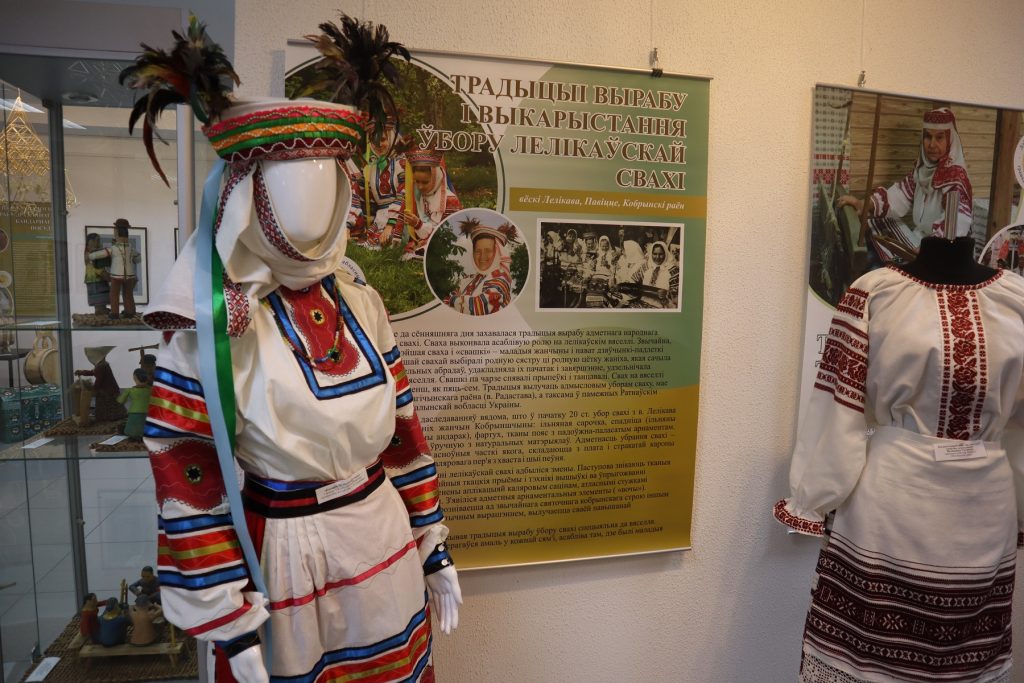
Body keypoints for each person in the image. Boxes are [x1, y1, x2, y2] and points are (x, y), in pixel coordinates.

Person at [774, 237, 1024, 682]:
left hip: (985, 516)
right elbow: (838, 402)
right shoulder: (875, 293)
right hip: (890, 510)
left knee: (971, 661)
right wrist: (812, 497)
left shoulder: (1017, 299)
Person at [837, 107, 973, 251]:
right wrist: (863, 204)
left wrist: (925, 250)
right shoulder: (921, 170)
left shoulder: (955, 179)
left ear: (950, 140)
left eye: (939, 137)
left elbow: (953, 226)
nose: (932, 144)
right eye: (928, 136)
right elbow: (899, 196)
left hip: (945, 250)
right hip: (920, 240)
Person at [397, 146, 461, 260]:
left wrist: (418, 224)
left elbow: (449, 234)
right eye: (417, 181)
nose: (420, 187)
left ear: (437, 177)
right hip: (424, 237)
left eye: (425, 182)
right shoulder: (418, 196)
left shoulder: (450, 200)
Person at [444, 218, 517, 315]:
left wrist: (454, 300)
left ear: (498, 253)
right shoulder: (469, 279)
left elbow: (478, 307)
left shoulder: (501, 279)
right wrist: (460, 301)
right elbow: (446, 301)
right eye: (478, 251)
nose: (482, 256)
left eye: (488, 251)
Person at [89, 219, 141, 318]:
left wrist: (91, 256)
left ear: (117, 232)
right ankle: (130, 312)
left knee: (114, 294)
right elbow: (138, 259)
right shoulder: (131, 248)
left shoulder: (114, 248)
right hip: (130, 275)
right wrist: (132, 260)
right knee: (128, 294)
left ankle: (115, 313)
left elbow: (102, 254)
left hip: (116, 275)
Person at [632, 241, 679, 307]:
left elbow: (677, 296)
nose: (657, 257)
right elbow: (633, 282)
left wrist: (666, 294)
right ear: (651, 253)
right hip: (641, 303)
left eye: (661, 254)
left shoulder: (673, 271)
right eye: (655, 254)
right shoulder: (646, 266)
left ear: (665, 254)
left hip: (662, 306)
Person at [118, 369, 152, 439]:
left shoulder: (129, 390)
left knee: (132, 429)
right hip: (149, 412)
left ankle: (134, 436)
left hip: (134, 412)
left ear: (134, 378)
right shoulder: (151, 389)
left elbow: (120, 401)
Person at [83, 233, 110, 315]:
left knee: (101, 294)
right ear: (90, 241)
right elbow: (95, 267)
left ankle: (101, 308)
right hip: (95, 278)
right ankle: (100, 309)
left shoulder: (91, 253)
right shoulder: (90, 254)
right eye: (97, 240)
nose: (98, 243)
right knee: (98, 294)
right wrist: (103, 274)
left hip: (96, 278)